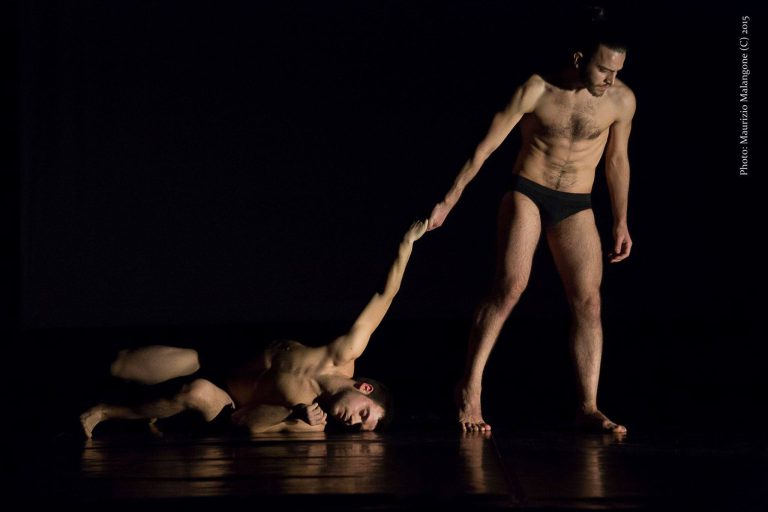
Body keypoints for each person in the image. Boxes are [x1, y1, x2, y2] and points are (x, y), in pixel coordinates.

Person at [428, 20, 635, 433]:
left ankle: (588, 407)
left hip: (577, 203)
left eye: (617, 71)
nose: (610, 80)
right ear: (579, 59)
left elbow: (616, 160)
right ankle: (470, 388)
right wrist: (448, 200)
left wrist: (621, 220)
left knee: (589, 302)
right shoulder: (536, 90)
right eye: (603, 69)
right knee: (510, 287)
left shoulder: (622, 100)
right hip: (528, 191)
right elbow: (484, 148)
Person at [80, 219, 428, 438]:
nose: (352, 422)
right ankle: (149, 413)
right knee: (119, 364)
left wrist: (292, 417)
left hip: (226, 401)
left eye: (358, 427)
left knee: (196, 391)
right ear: (364, 388)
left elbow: (246, 424)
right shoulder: (343, 353)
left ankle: (106, 412)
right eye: (363, 414)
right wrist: (407, 244)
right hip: (220, 359)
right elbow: (384, 295)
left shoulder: (314, 421)